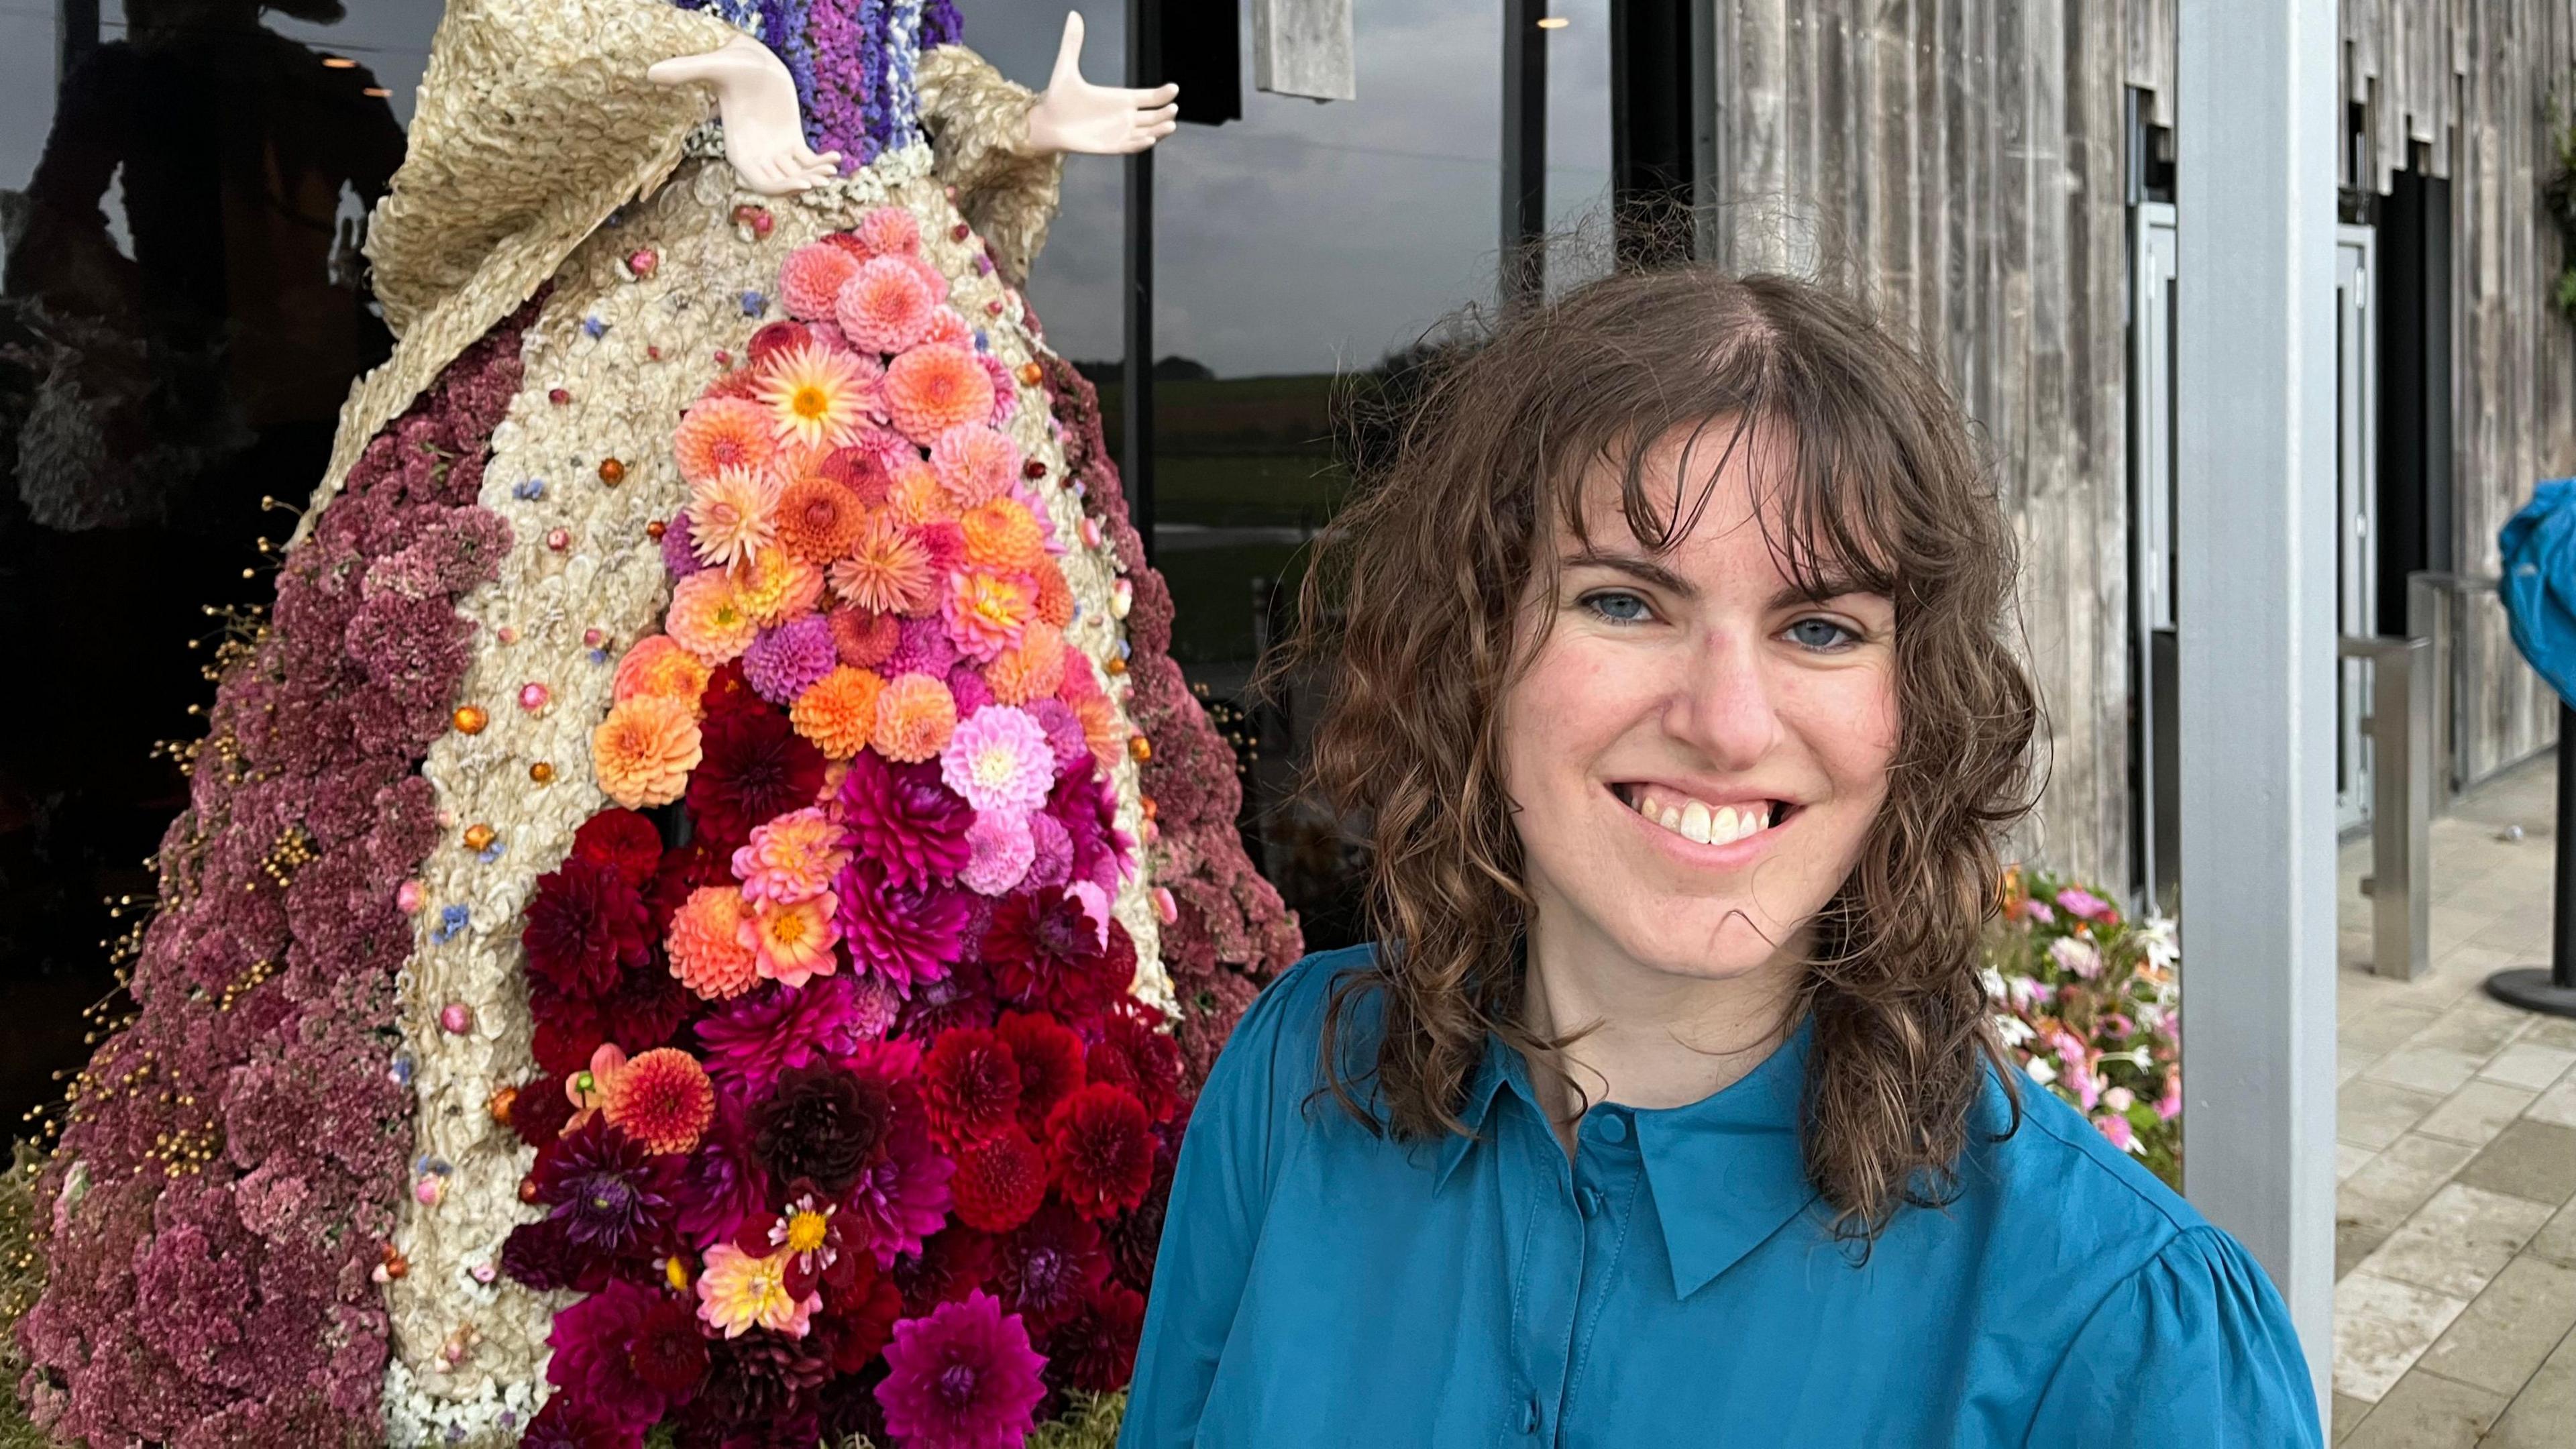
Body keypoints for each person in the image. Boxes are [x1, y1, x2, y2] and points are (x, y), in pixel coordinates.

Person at [9, 4, 1300, 1446]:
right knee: (600, 708)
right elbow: (512, 47)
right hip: (669, 311)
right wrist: (698, 88)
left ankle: (985, 1215)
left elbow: (897, 66)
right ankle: (635, 1256)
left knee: (990, 675)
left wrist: (1005, 122)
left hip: (902, 293)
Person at [1122, 268, 2322, 1447]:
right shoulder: (1298, 1084)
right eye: (1626, 604)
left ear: (1917, 709)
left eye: (1820, 628)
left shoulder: (2120, 1337)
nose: (1727, 723)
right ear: (1474, 651)